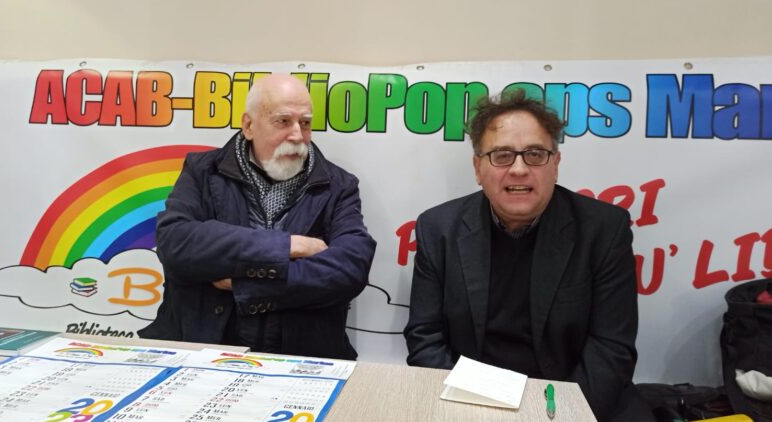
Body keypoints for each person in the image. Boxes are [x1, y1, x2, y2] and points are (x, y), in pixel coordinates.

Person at [403, 90, 652, 421]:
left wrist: (558, 416)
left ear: (556, 164)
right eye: (502, 155)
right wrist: (470, 414)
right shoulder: (439, 229)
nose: (519, 169)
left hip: (573, 402)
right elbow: (425, 340)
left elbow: (611, 349)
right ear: (478, 168)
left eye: (535, 154)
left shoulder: (604, 230)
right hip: (472, 403)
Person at [139, 73, 376, 360]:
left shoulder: (339, 186)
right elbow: (175, 242)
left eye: (305, 123)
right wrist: (289, 246)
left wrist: (248, 286)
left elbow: (350, 268)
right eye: (283, 121)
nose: (297, 135)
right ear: (249, 126)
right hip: (199, 352)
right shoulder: (202, 171)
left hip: (303, 360)